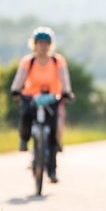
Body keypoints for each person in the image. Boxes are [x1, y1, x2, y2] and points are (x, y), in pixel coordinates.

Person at [10, 26, 73, 183]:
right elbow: (20, 78)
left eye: (46, 43)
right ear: (35, 44)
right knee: (25, 115)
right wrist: (15, 90)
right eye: (40, 43)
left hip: (52, 98)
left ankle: (52, 170)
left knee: (52, 133)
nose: (43, 47)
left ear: (50, 45)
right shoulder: (28, 61)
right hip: (31, 98)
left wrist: (66, 92)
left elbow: (64, 79)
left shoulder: (57, 60)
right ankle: (24, 139)